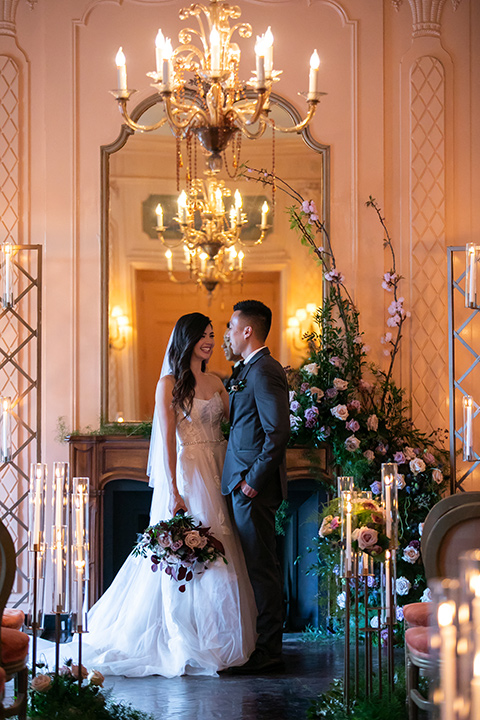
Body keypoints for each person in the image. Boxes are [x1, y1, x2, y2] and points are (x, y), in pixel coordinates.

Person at [36, 313, 257, 677]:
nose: (209, 341)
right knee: (194, 552)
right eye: (202, 335)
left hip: (218, 469)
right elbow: (168, 440)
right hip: (189, 473)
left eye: (213, 335)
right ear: (186, 339)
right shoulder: (169, 384)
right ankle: (184, 638)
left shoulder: (218, 382)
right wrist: (173, 489)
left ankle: (218, 636)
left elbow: (233, 429)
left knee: (223, 550)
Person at [222, 300, 290, 674]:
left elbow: (278, 432)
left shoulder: (264, 371)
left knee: (262, 567)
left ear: (248, 330)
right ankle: (258, 644)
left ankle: (269, 650)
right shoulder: (247, 370)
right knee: (254, 565)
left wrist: (252, 482)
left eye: (232, 326)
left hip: (253, 486)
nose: (228, 333)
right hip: (240, 481)